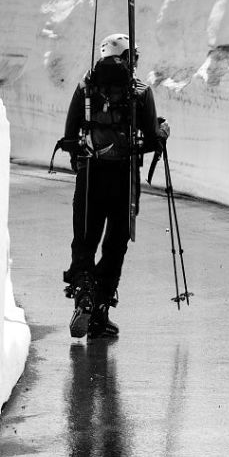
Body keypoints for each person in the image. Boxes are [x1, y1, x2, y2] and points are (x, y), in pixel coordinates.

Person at [58, 33, 169, 340]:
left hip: (91, 176)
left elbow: (69, 135)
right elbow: (149, 139)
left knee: (85, 240)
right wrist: (159, 131)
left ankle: (84, 295)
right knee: (115, 245)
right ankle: (100, 314)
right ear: (127, 57)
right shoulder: (140, 91)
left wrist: (80, 159)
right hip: (124, 178)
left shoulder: (86, 87)